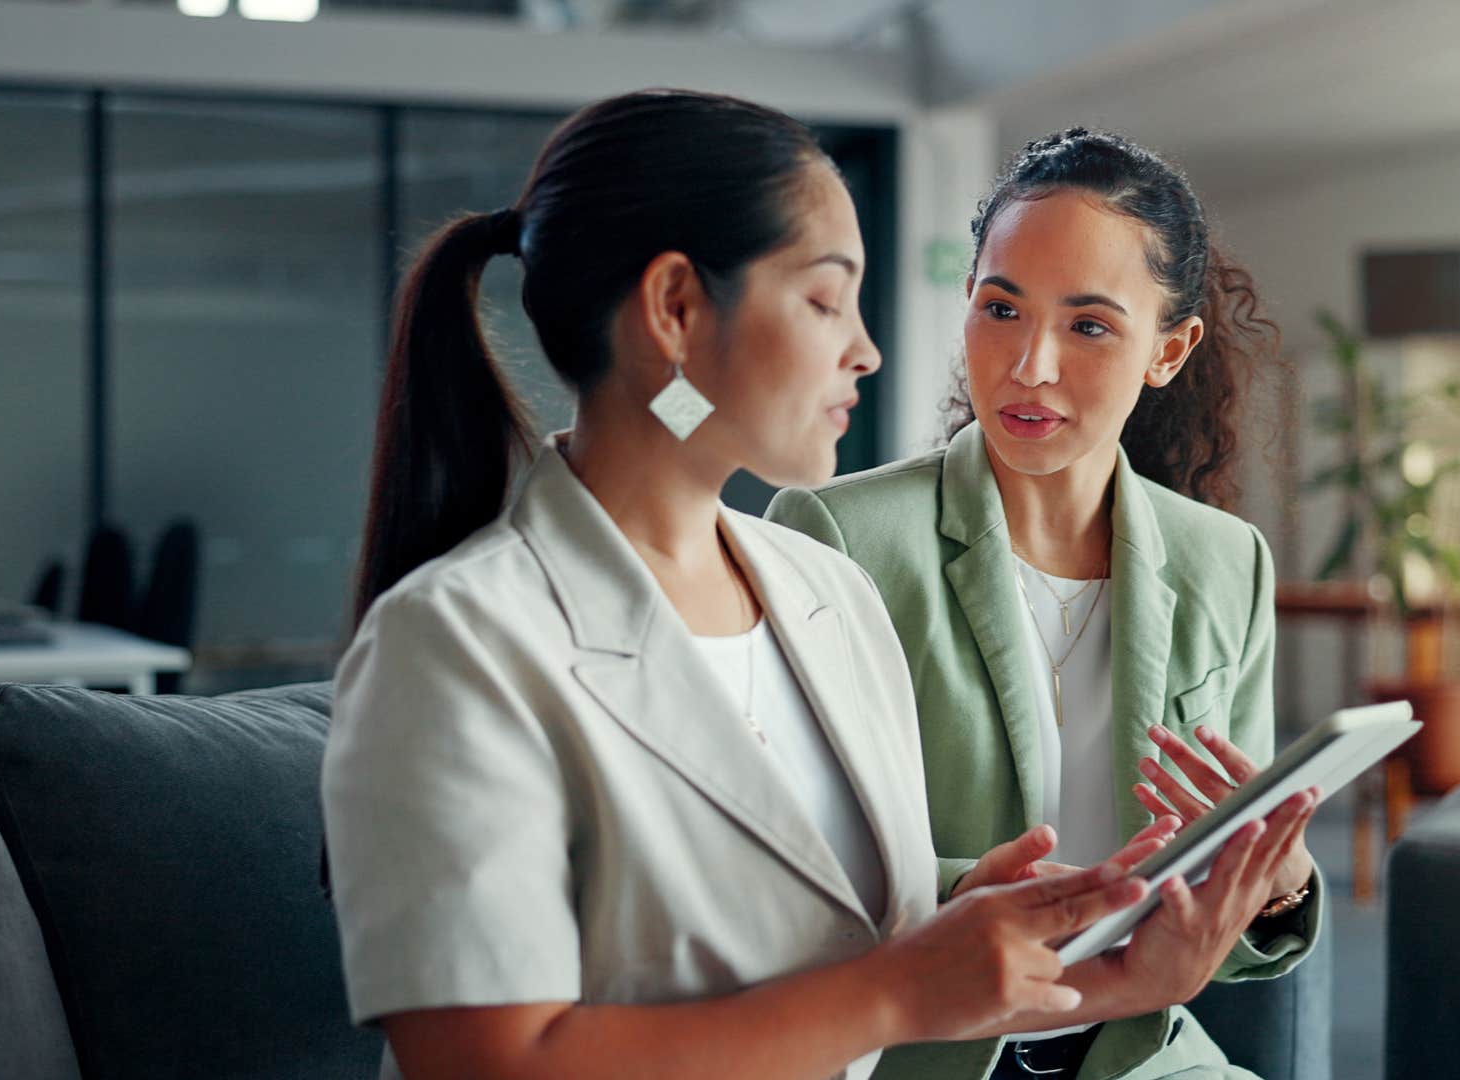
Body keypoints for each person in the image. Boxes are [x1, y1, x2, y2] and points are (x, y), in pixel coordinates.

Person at [320, 91, 1307, 1080]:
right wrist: (904, 985)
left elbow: (884, 945)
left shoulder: (820, 591)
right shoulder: (453, 642)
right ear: (674, 310)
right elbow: (482, 1062)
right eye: (826, 300)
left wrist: (1136, 981)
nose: (867, 351)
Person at [768, 128, 1324, 1080]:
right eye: (1001, 308)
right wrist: (968, 899)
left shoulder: (1229, 564)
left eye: (1090, 325)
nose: (1028, 365)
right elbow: (785, 870)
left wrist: (1277, 883)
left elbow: (1217, 950)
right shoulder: (838, 538)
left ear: (1169, 349)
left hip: (1142, 1059)